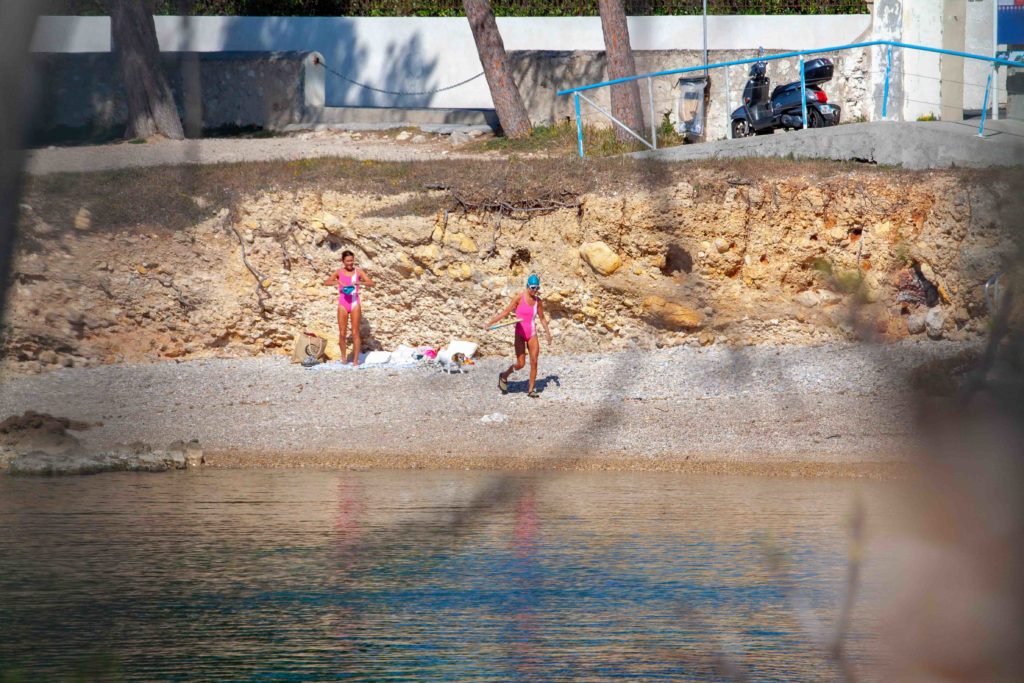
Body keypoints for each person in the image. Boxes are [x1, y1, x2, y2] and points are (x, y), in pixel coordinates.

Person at [485, 273, 552, 398]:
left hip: (532, 333)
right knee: (521, 364)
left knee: (534, 361)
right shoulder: (519, 298)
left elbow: (542, 318)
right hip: (520, 334)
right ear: (528, 286)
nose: (535, 290)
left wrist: (548, 333)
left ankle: (531, 390)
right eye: (533, 287)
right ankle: (504, 375)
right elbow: (505, 312)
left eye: (537, 288)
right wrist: (490, 323)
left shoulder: (538, 301)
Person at [323, 250, 374, 365]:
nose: (350, 263)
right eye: (347, 261)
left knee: (355, 332)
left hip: (355, 302)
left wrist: (359, 283)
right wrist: (338, 282)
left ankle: (356, 361)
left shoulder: (358, 272)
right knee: (342, 333)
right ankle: (343, 358)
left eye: (352, 260)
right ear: (343, 261)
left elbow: (371, 283)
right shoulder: (339, 272)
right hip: (343, 303)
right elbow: (326, 282)